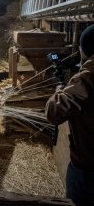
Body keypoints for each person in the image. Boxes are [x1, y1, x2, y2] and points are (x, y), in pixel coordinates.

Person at [45, 24, 94, 204]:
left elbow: (54, 113)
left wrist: (59, 90)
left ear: (85, 49)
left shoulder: (87, 78)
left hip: (87, 169)